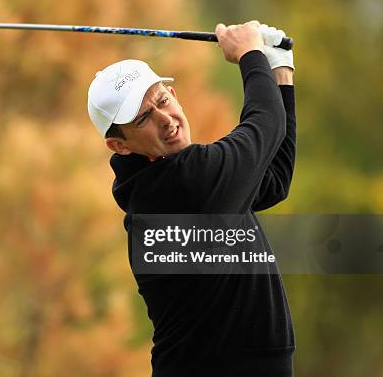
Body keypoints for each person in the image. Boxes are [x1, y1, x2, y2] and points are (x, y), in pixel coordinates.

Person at [87, 21, 296, 376]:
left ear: (174, 94)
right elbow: (265, 124)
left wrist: (279, 70)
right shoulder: (183, 185)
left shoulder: (173, 182)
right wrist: (250, 55)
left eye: (163, 100)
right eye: (143, 119)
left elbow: (274, 179)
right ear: (119, 146)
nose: (166, 119)